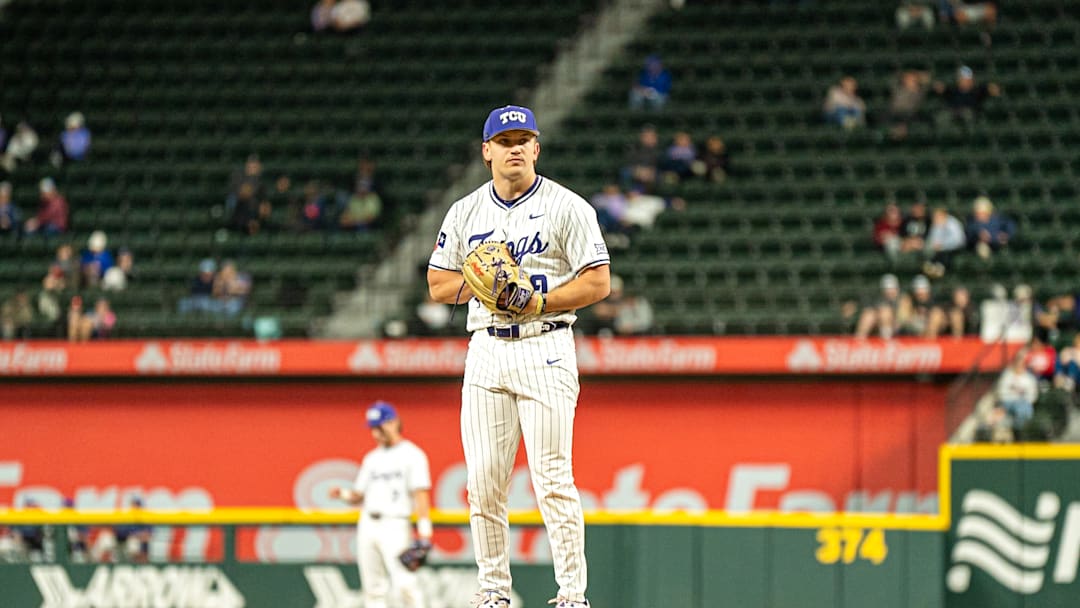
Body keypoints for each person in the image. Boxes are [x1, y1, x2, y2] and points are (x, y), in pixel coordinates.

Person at [426, 105, 608, 608]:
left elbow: (598, 281)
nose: (515, 149)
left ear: (537, 148)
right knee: (483, 481)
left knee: (552, 478)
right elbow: (438, 283)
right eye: (505, 141)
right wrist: (483, 288)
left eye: (524, 140)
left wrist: (538, 300)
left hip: (545, 343)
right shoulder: (464, 212)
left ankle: (571, 595)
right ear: (487, 152)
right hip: (486, 350)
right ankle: (493, 591)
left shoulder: (567, 206)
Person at [330, 401, 431, 608]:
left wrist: (425, 532)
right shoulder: (372, 458)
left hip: (395, 523)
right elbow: (359, 495)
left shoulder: (412, 455)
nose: (376, 432)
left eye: (380, 426)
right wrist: (343, 494)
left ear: (394, 423)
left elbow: (420, 494)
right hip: (368, 523)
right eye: (373, 428)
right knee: (373, 587)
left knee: (405, 584)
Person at [933, 66, 1001, 129]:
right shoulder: (953, 90)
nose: (966, 82)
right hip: (953, 113)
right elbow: (940, 87)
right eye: (963, 80)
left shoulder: (978, 91)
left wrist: (992, 88)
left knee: (967, 114)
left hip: (971, 115)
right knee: (943, 116)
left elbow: (993, 89)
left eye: (968, 80)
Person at [995, 349, 1039, 434]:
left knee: (1023, 409)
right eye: (1017, 362)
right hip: (1008, 403)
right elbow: (1001, 392)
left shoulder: (1029, 378)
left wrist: (1021, 400)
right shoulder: (1007, 375)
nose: (1019, 365)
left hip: (1023, 404)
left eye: (1022, 362)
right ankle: (1016, 430)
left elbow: (1032, 396)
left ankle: (1018, 431)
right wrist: (1013, 399)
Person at [853, 273, 903, 339]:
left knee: (885, 312)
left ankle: (887, 342)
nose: (890, 291)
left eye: (892, 289)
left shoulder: (903, 299)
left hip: (899, 327)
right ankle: (858, 342)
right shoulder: (880, 300)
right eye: (887, 289)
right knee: (869, 315)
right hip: (881, 327)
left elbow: (903, 318)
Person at [965, 195, 1015, 259]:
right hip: (979, 247)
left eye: (983, 213)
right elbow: (969, 235)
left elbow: (1010, 225)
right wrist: (978, 235)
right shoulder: (972, 223)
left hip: (997, 245)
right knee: (982, 248)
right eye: (978, 213)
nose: (980, 215)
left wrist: (1006, 235)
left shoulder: (997, 219)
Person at [886, 70, 932, 140]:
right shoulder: (898, 89)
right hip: (895, 113)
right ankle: (896, 136)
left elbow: (927, 79)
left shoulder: (920, 91)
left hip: (909, 115)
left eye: (913, 80)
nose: (911, 81)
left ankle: (900, 135)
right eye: (909, 79)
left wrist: (919, 75)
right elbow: (892, 79)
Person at [923, 206, 965, 278]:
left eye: (937, 216)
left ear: (943, 215)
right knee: (930, 252)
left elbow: (958, 240)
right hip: (940, 250)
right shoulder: (936, 225)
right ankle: (932, 268)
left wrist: (942, 245)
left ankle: (939, 269)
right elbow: (932, 239)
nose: (935, 218)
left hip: (956, 249)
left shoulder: (953, 223)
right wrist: (936, 245)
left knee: (944, 254)